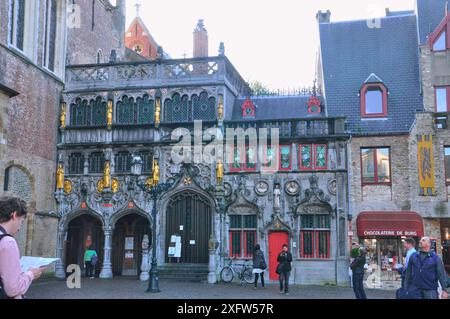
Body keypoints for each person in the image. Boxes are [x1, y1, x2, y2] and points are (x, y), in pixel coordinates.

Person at [0, 196, 43, 299]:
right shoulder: (7, 242)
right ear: (14, 215)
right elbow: (13, 289)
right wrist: (31, 273)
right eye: (22, 221)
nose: (20, 226)